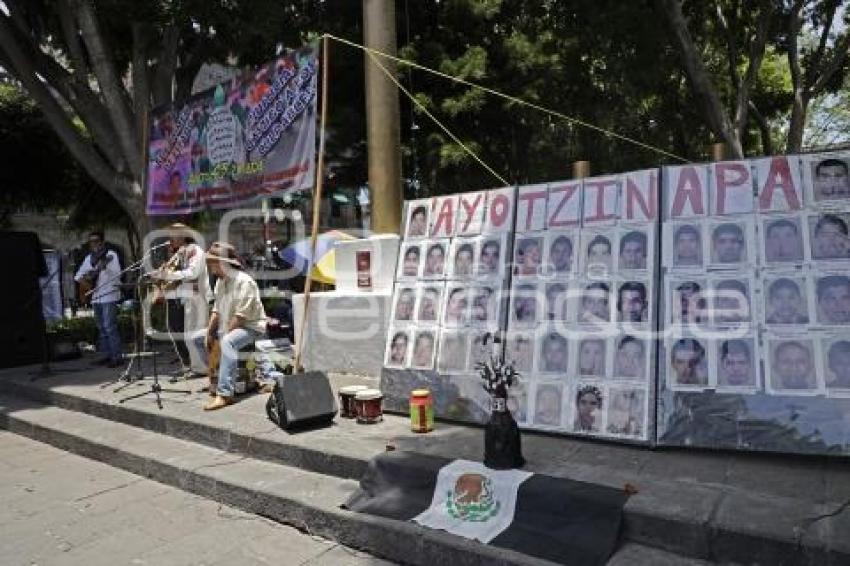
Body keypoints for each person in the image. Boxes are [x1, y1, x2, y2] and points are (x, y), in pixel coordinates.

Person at [191, 242, 268, 411]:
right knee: (197, 338)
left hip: (251, 327)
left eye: (213, 262)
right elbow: (217, 310)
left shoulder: (244, 282)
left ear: (223, 263)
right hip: (231, 326)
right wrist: (209, 333)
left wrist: (221, 336)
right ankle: (217, 378)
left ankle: (225, 394)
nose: (210, 266)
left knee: (227, 342)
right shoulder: (220, 282)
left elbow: (241, 317)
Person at [150, 223, 211, 376]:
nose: (170, 238)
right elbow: (171, 273)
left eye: (174, 234)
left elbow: (192, 273)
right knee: (179, 332)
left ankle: (202, 368)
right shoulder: (178, 253)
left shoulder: (196, 251)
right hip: (180, 298)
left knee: (194, 334)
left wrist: (167, 275)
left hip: (196, 297)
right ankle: (190, 365)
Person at [74, 231, 123, 367]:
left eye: (96, 241)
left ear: (102, 242)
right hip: (95, 297)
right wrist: (86, 281)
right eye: (91, 241)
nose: (94, 243)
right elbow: (77, 276)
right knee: (101, 328)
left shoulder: (110, 255)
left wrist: (105, 267)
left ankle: (117, 357)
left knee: (109, 327)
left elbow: (117, 274)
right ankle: (106, 355)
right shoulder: (89, 258)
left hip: (109, 294)